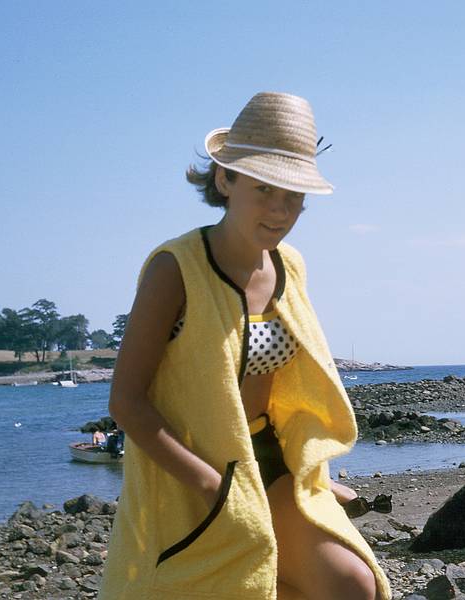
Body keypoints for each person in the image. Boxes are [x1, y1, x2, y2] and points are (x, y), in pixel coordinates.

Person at [99, 92, 391, 600]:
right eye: (264, 189)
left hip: (271, 462)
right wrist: (216, 489)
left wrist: (313, 473)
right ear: (224, 180)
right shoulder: (176, 269)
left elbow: (292, 391)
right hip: (194, 470)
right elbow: (126, 402)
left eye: (294, 196)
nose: (280, 211)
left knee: (352, 586)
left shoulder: (288, 265)